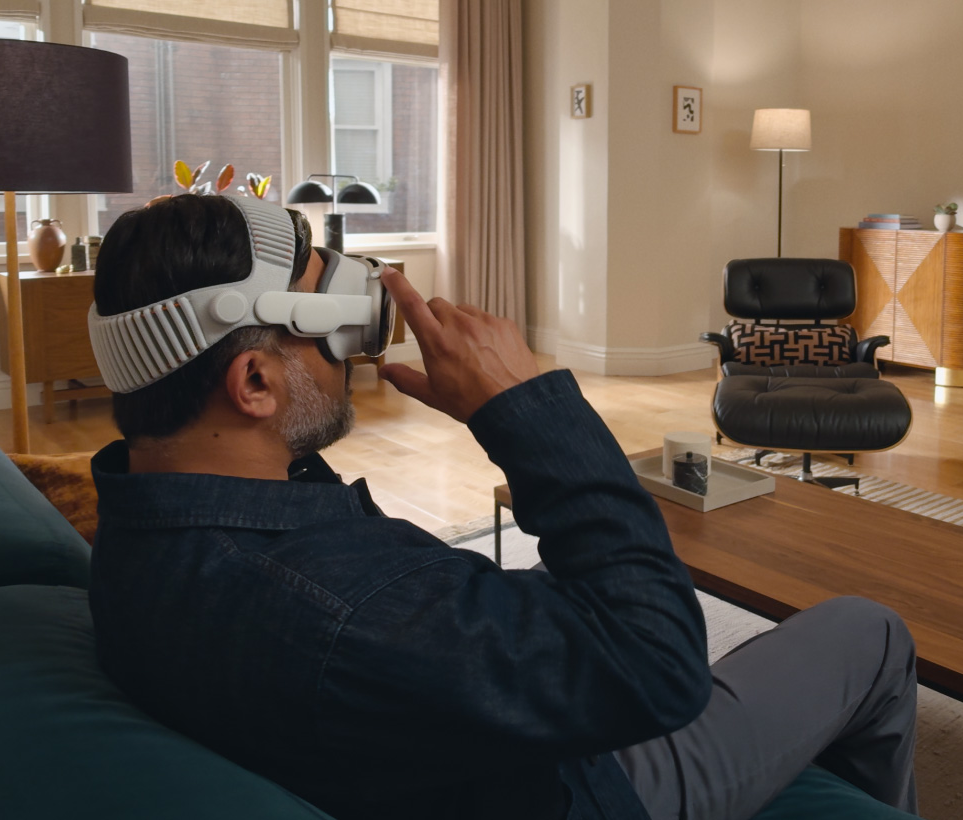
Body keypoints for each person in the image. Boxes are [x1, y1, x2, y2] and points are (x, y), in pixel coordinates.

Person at [87, 194, 919, 820]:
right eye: (334, 331)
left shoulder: (139, 532)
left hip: (482, 737)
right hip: (584, 785)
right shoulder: (346, 608)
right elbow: (660, 664)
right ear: (254, 382)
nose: (354, 357)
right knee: (870, 631)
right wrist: (528, 410)